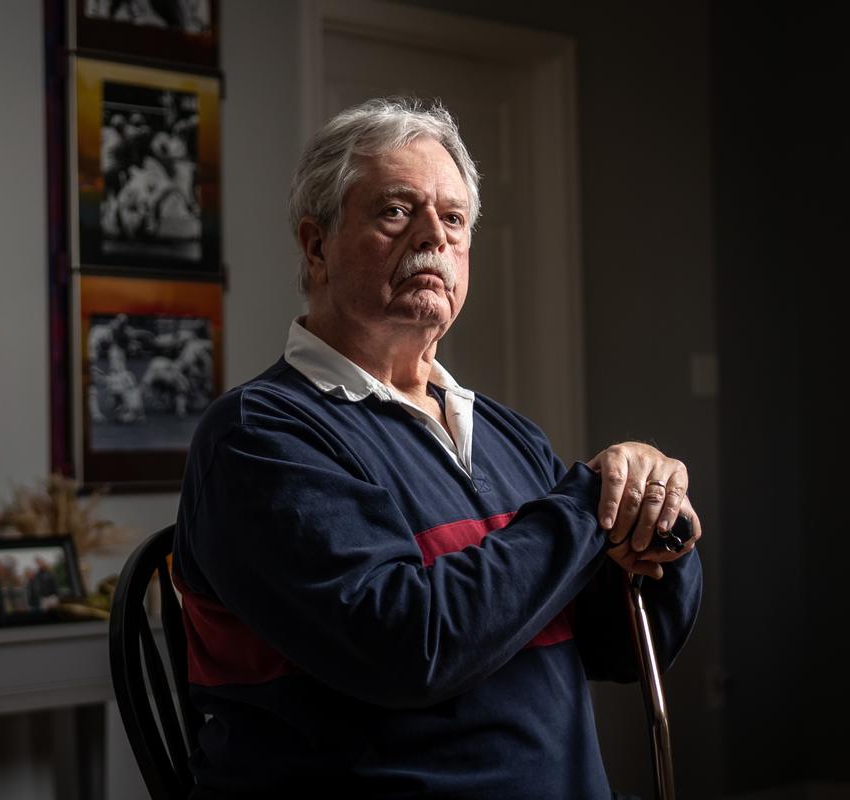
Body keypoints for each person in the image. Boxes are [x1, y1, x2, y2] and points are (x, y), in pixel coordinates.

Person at [172, 97, 703, 798]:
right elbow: (408, 647)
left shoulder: (509, 435)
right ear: (316, 245)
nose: (434, 237)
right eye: (396, 211)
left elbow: (617, 646)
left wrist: (653, 523)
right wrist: (584, 504)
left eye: (453, 219)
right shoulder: (260, 435)